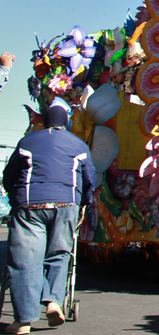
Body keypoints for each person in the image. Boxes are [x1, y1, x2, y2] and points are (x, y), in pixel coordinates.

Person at [2, 105, 96, 334]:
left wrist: (14, 197)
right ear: (67, 123)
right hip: (66, 205)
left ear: (45, 122)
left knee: (25, 259)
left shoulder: (28, 141)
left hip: (31, 204)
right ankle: (53, 301)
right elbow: (90, 179)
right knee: (59, 253)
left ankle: (23, 321)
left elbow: (10, 175)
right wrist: (84, 204)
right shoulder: (79, 145)